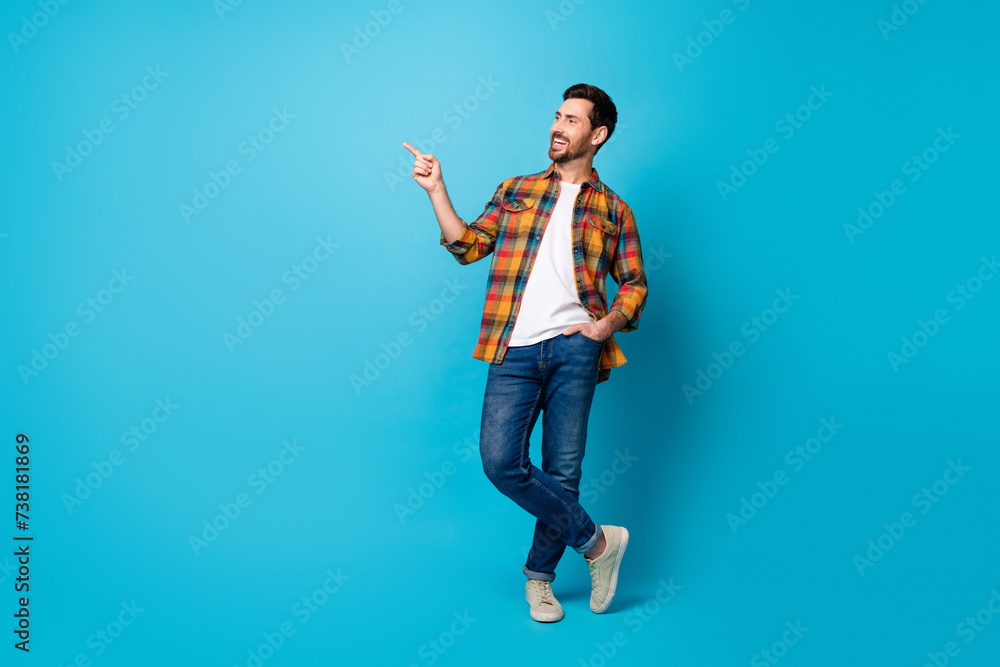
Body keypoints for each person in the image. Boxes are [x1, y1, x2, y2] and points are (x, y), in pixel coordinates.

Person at [403, 83, 647, 623]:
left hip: (576, 351)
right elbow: (468, 246)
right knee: (501, 461)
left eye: (572, 120)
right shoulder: (517, 189)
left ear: (598, 134)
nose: (558, 127)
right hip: (513, 346)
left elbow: (634, 284)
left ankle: (540, 581)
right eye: (557, 117)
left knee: (563, 473)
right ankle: (599, 545)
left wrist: (604, 325)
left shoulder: (614, 209)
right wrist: (436, 191)